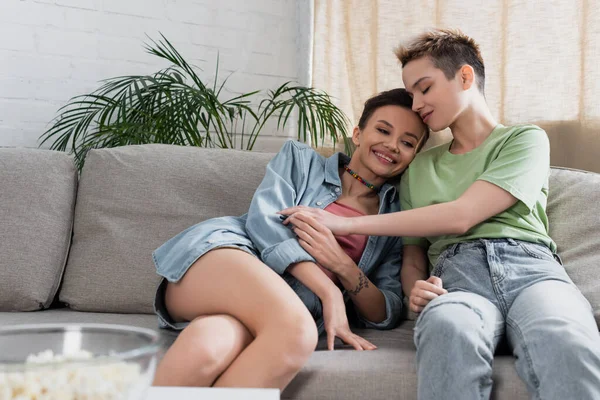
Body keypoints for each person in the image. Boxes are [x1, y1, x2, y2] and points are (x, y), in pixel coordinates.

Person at [280, 29, 600, 399]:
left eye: (424, 88)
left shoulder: (523, 140)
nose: (415, 103)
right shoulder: (418, 167)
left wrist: (343, 223)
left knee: (564, 338)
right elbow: (413, 256)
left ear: (465, 77)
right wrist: (414, 287)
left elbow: (462, 215)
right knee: (447, 328)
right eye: (411, 93)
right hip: (455, 280)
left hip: (531, 272)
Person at [151, 88, 429, 390]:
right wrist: (329, 291)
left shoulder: (395, 218)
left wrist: (343, 266)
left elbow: (385, 311)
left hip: (270, 312)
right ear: (358, 134)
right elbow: (265, 223)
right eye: (383, 130)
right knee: (297, 332)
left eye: (407, 142)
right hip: (225, 260)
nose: (392, 145)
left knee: (209, 347)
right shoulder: (301, 161)